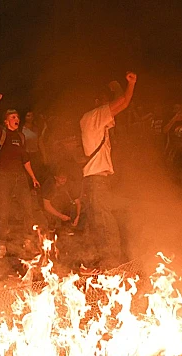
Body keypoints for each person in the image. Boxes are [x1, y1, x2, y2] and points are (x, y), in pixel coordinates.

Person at [79, 72, 137, 270]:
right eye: (105, 102)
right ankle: (112, 265)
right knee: (105, 222)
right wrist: (129, 84)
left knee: (95, 221)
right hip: (96, 179)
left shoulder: (88, 120)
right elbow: (124, 102)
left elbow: (119, 106)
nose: (108, 107)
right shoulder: (95, 116)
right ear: (98, 103)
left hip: (92, 179)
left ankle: (92, 261)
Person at [0, 93, 40, 258]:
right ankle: (2, 246)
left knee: (28, 210)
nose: (17, 119)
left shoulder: (21, 137)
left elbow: (25, 159)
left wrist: (33, 178)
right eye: (13, 117)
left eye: (17, 117)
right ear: (6, 121)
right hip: (4, 176)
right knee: (3, 211)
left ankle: (28, 243)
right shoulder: (2, 133)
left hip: (20, 177)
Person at [41, 168, 81, 234]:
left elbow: (78, 202)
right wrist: (60, 216)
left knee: (70, 204)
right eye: (61, 178)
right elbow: (46, 205)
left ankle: (66, 226)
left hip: (62, 205)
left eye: (65, 178)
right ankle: (51, 226)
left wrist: (77, 216)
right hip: (49, 205)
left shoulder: (69, 184)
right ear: (56, 177)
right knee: (49, 210)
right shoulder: (49, 184)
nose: (63, 180)